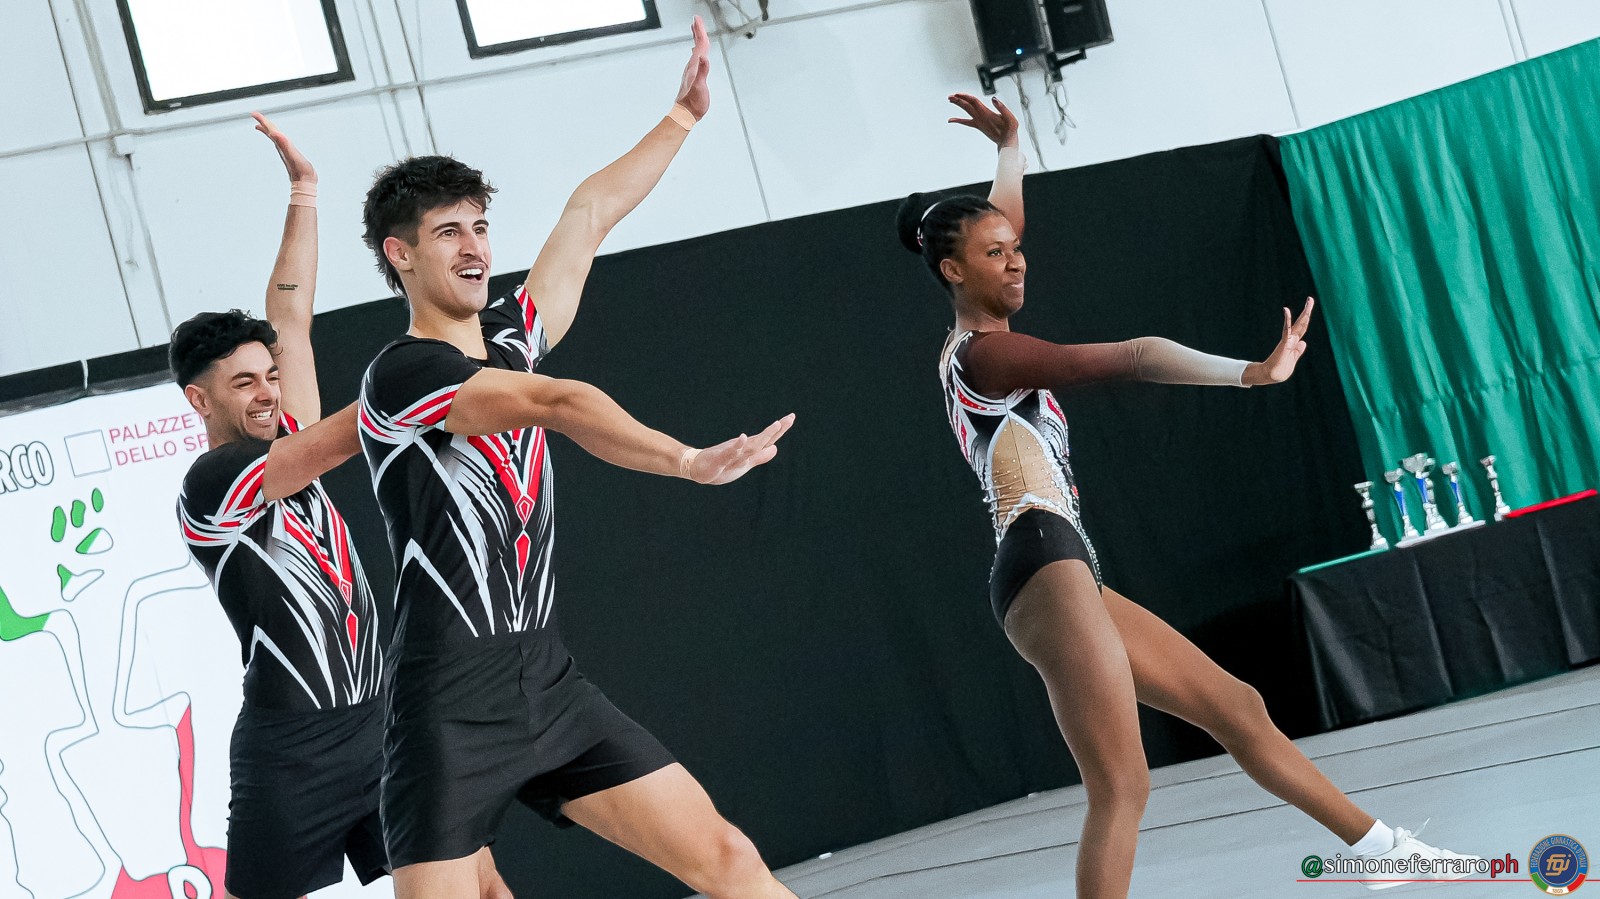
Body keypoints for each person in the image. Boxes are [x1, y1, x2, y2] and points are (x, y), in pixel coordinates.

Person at [898, 93, 1479, 897]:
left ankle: (1381, 851)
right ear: (953, 271)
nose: (1018, 260)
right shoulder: (986, 358)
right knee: (1122, 784)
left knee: (1236, 705)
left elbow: (1002, 221)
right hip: (1042, 562)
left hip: (1064, 564)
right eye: (996, 255)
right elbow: (1138, 355)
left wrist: (1009, 150)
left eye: (1017, 249)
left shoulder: (979, 320)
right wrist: (1250, 373)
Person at [357, 17, 797, 899]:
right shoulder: (403, 376)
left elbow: (588, 212)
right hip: (447, 705)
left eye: (481, 227)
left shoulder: (513, 338)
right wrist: (687, 460)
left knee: (727, 857)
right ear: (400, 255)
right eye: (448, 233)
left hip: (548, 682)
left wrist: (681, 117)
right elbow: (557, 404)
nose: (475, 248)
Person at [174, 115, 511, 899]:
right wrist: (418, 387)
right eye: (244, 383)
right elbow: (340, 438)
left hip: (381, 723)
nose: (268, 392)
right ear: (200, 399)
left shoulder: (287, 429)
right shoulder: (213, 484)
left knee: (481, 882)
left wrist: (304, 190)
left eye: (270, 376)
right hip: (293, 752)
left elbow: (289, 315)